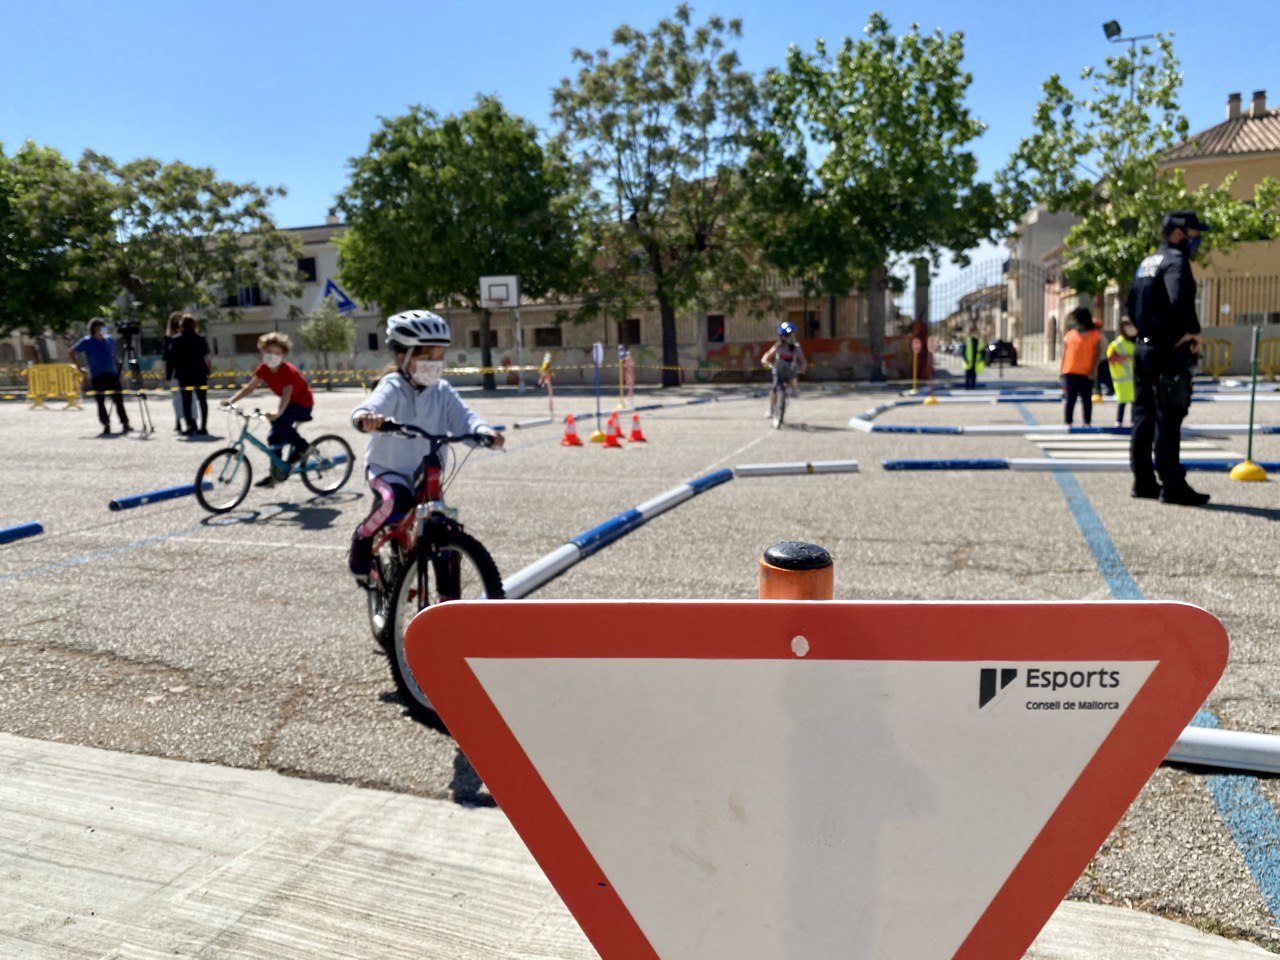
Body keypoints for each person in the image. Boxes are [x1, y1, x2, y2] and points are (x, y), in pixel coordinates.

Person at [346, 310, 504, 583]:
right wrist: (367, 419)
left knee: (442, 526)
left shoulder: (442, 390)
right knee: (397, 501)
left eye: (439, 357)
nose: (435, 364)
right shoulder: (393, 385)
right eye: (426, 357)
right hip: (388, 470)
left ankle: (447, 602)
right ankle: (363, 537)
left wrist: (483, 432)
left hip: (426, 472)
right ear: (402, 357)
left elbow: (464, 418)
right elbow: (370, 406)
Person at [1127, 210, 1212, 506]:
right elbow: (1179, 300)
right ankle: (1172, 484)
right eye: (1193, 232)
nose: (1196, 238)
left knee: (1143, 416)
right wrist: (1192, 332)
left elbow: (1130, 305)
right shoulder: (1176, 261)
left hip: (1143, 348)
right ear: (1178, 233)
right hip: (1167, 349)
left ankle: (1142, 481)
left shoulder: (1147, 263)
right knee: (1169, 416)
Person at [221, 332, 314, 486]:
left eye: (277, 353)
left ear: (283, 355)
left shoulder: (288, 371)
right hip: (288, 405)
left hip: (303, 405)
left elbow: (286, 394)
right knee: (273, 439)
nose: (272, 356)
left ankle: (304, 447)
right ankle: (275, 473)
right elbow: (249, 388)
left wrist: (278, 413)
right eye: (269, 352)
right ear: (262, 352)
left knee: (280, 424)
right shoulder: (263, 369)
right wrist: (230, 401)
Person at [70, 319, 131, 436]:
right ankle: (106, 423)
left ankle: (125, 423)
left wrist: (119, 366)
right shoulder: (87, 341)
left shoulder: (109, 340)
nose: (104, 330)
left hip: (112, 373)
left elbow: (113, 355)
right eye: (101, 328)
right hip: (97, 374)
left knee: (118, 399)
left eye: (105, 328)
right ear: (94, 329)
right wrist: (79, 367)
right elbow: (72, 351)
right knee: (100, 401)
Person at [169, 313, 212, 435]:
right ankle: (203, 426)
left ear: (181, 325)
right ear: (194, 325)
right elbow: (205, 354)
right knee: (202, 400)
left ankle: (190, 425)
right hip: (199, 373)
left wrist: (169, 375)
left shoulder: (176, 340)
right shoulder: (201, 339)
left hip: (183, 374)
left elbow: (172, 359)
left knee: (186, 401)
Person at [1060, 307, 1103, 426]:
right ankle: (1068, 421)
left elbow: (1097, 354)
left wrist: (1093, 370)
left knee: (1086, 399)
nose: (1073, 322)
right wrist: (1062, 369)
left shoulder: (1095, 335)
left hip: (1086, 372)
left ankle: (1087, 421)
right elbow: (1065, 353)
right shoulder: (1069, 334)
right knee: (1070, 399)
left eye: (1075, 319)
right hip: (1070, 371)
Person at [761, 322, 807, 418]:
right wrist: (765, 361)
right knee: (774, 389)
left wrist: (803, 367)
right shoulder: (778, 346)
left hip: (790, 369)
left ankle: (794, 390)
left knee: (793, 374)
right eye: (787, 335)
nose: (790, 337)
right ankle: (771, 409)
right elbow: (767, 355)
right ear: (781, 336)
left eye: (792, 335)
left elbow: (803, 360)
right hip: (778, 369)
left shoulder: (796, 348)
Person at [1106, 319, 1138, 426]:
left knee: (1135, 402)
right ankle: (1119, 421)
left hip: (1136, 378)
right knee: (1122, 401)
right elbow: (1110, 359)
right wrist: (1124, 358)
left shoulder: (1139, 341)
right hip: (1123, 379)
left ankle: (1134, 421)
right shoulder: (1116, 344)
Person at [162, 312, 186, 433]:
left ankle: (189, 420)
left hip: (186, 370)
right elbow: (166, 358)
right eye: (176, 322)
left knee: (188, 397)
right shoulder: (169, 339)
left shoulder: (186, 337)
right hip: (174, 371)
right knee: (176, 397)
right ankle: (178, 420)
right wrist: (166, 374)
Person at [961, 326, 985, 390]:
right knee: (967, 377)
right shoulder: (967, 341)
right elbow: (963, 352)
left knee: (973, 376)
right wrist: (965, 359)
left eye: (973, 331)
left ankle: (972, 388)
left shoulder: (977, 341)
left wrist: (981, 358)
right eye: (971, 332)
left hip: (975, 362)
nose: (972, 333)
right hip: (968, 362)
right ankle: (967, 387)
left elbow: (982, 350)